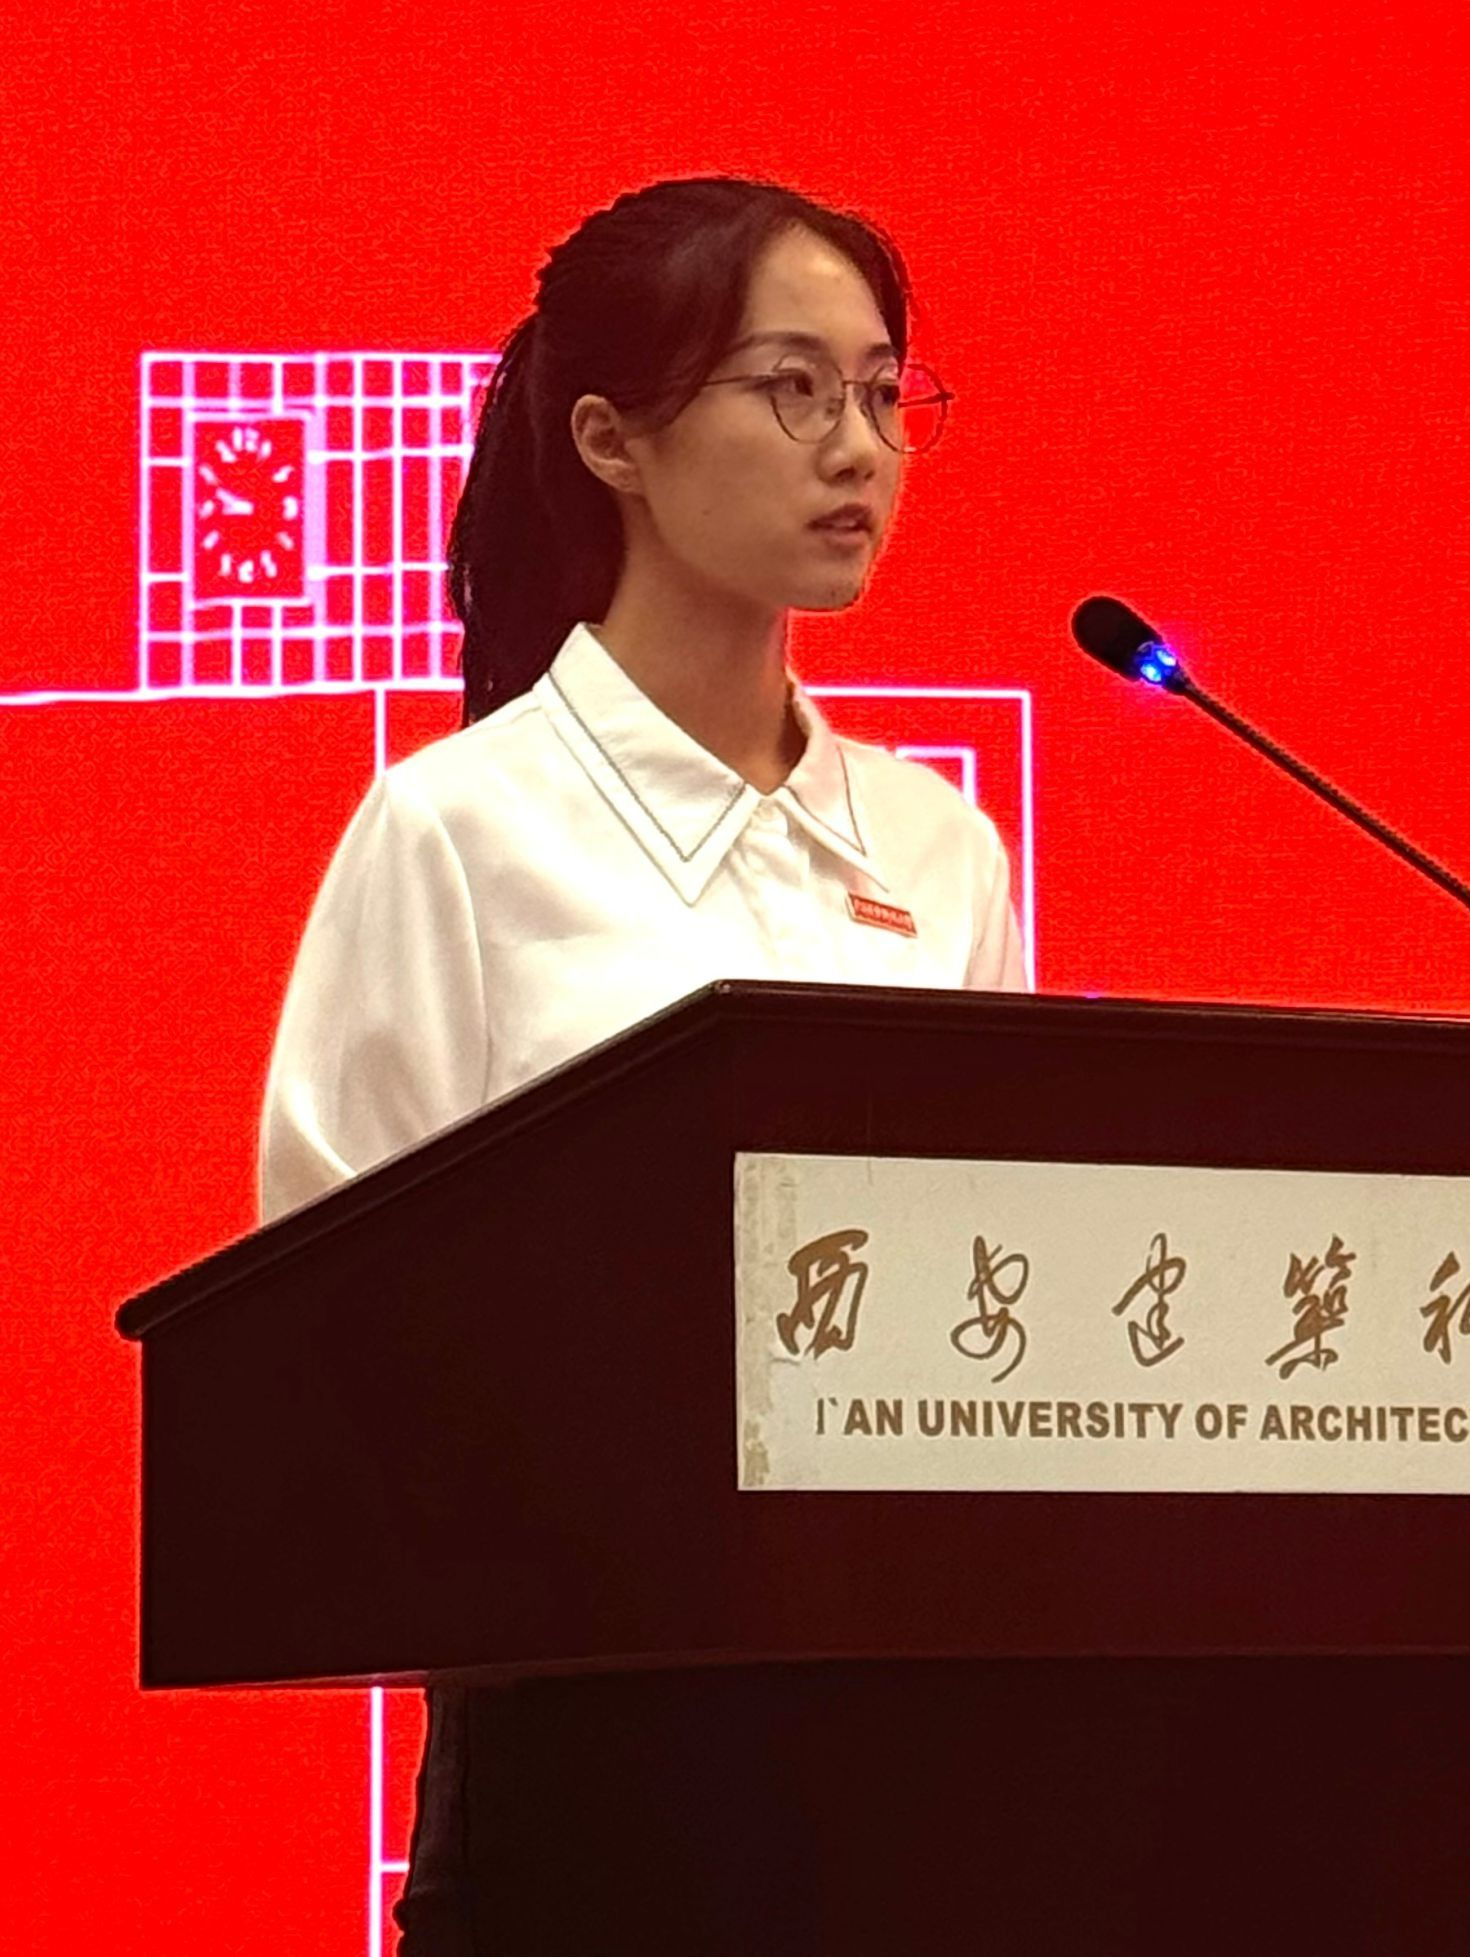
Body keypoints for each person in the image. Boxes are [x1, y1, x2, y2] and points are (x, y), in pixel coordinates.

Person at [256, 176, 1027, 1950]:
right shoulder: (457, 830)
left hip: (910, 1754)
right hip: (579, 1753)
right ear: (611, 439)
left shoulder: (941, 847)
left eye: (885, 393)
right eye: (793, 389)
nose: (861, 447)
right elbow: (322, 1320)